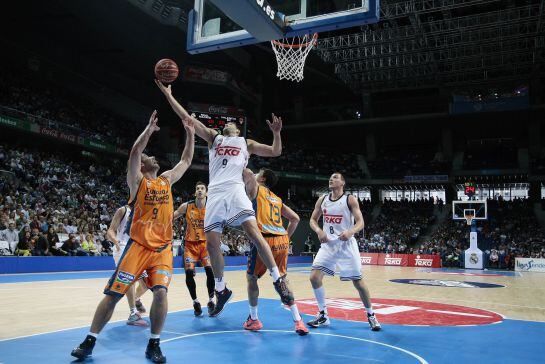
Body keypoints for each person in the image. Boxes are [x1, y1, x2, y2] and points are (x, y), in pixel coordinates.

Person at [156, 80, 292, 317]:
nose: (228, 124)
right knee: (211, 243)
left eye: (232, 124)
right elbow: (187, 117)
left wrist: (277, 134)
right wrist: (169, 95)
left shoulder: (246, 143)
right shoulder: (213, 138)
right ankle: (221, 289)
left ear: (238, 131)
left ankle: (278, 279)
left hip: (236, 189)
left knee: (254, 233)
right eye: (226, 123)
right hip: (216, 192)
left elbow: (275, 151)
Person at [71, 110, 195, 363]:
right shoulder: (137, 181)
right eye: (149, 157)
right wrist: (148, 131)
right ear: (143, 166)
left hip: (162, 249)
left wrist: (191, 133)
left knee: (161, 292)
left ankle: (154, 344)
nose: (153, 158)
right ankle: (90, 339)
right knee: (114, 294)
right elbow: (135, 152)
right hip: (137, 246)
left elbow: (186, 161)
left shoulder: (166, 180)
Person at [307, 172, 381, 331]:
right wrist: (319, 231)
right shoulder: (323, 200)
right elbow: (313, 220)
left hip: (346, 245)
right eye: (330, 177)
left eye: (335, 177)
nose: (331, 179)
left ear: (342, 183)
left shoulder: (349, 199)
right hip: (328, 245)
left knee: (358, 283)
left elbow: (361, 222)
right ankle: (323, 315)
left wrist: (351, 231)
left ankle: (371, 315)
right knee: (314, 277)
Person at [243, 168, 308, 335]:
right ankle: (298, 321)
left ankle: (254, 319)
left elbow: (248, 174)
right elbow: (295, 219)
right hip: (281, 241)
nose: (255, 174)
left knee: (252, 278)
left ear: (262, 178)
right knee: (282, 279)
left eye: (259, 173)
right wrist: (286, 237)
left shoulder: (256, 189)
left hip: (264, 240)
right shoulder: (277, 199)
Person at [173, 181, 215, 317]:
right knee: (189, 274)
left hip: (205, 245)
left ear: (206, 192)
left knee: (209, 271)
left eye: (202, 188)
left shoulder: (212, 206)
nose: (200, 190)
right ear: (195, 192)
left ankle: (211, 300)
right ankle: (195, 302)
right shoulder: (186, 206)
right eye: (198, 189)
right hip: (190, 245)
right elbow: (172, 216)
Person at [106, 205, 149, 326]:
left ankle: (135, 299)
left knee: (146, 284)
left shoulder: (144, 211)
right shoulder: (123, 210)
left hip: (137, 250)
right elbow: (110, 230)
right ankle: (133, 313)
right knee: (129, 279)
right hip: (122, 247)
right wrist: (115, 241)